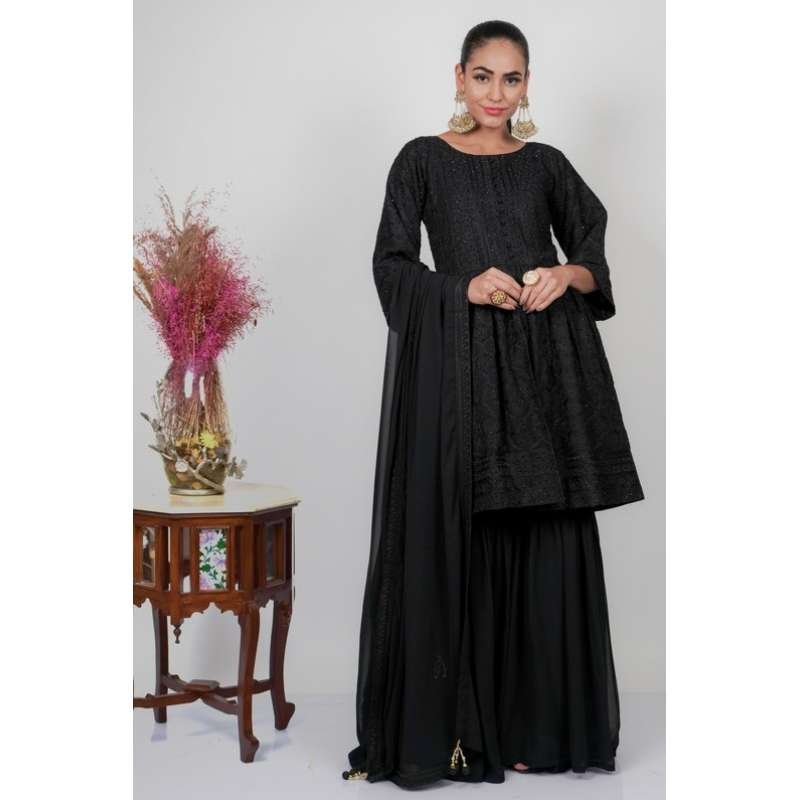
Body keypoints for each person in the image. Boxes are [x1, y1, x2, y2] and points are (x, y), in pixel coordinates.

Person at [343, 19, 644, 789]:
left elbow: (590, 245)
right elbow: (390, 264)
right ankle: (466, 730)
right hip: (464, 368)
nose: (496, 94)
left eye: (512, 79)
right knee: (469, 535)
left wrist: (565, 275)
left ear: (527, 85)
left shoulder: (545, 163)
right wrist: (462, 287)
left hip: (546, 369)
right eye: (483, 76)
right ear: (459, 77)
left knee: (547, 537)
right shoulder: (421, 159)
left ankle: (540, 730)